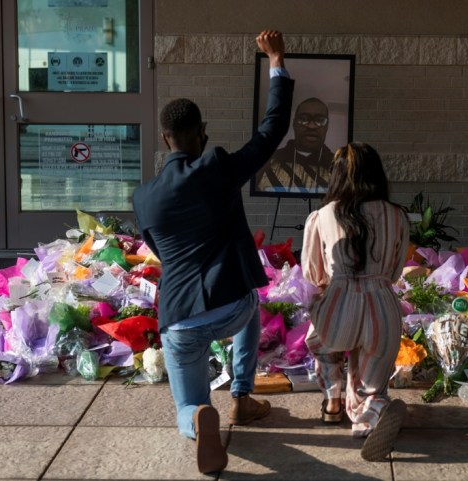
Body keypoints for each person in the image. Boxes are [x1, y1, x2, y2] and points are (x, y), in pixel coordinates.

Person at [132, 30, 294, 475]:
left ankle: (200, 418)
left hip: (180, 320)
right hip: (232, 308)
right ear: (201, 133)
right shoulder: (217, 167)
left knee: (188, 405)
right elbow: (271, 131)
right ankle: (241, 395)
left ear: (165, 139)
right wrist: (276, 61)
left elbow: (157, 248)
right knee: (251, 299)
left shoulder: (143, 198)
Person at [301, 142, 411, 462]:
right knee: (372, 367)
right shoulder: (397, 215)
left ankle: (333, 402)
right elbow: (393, 272)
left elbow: (313, 273)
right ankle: (371, 411)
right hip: (382, 306)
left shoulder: (321, 215)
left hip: (337, 305)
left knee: (321, 342)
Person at [256, 97, 334, 193]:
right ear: (294, 124)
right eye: (304, 119)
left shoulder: (338, 168)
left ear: (327, 126)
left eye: (320, 120)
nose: (311, 126)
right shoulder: (268, 161)